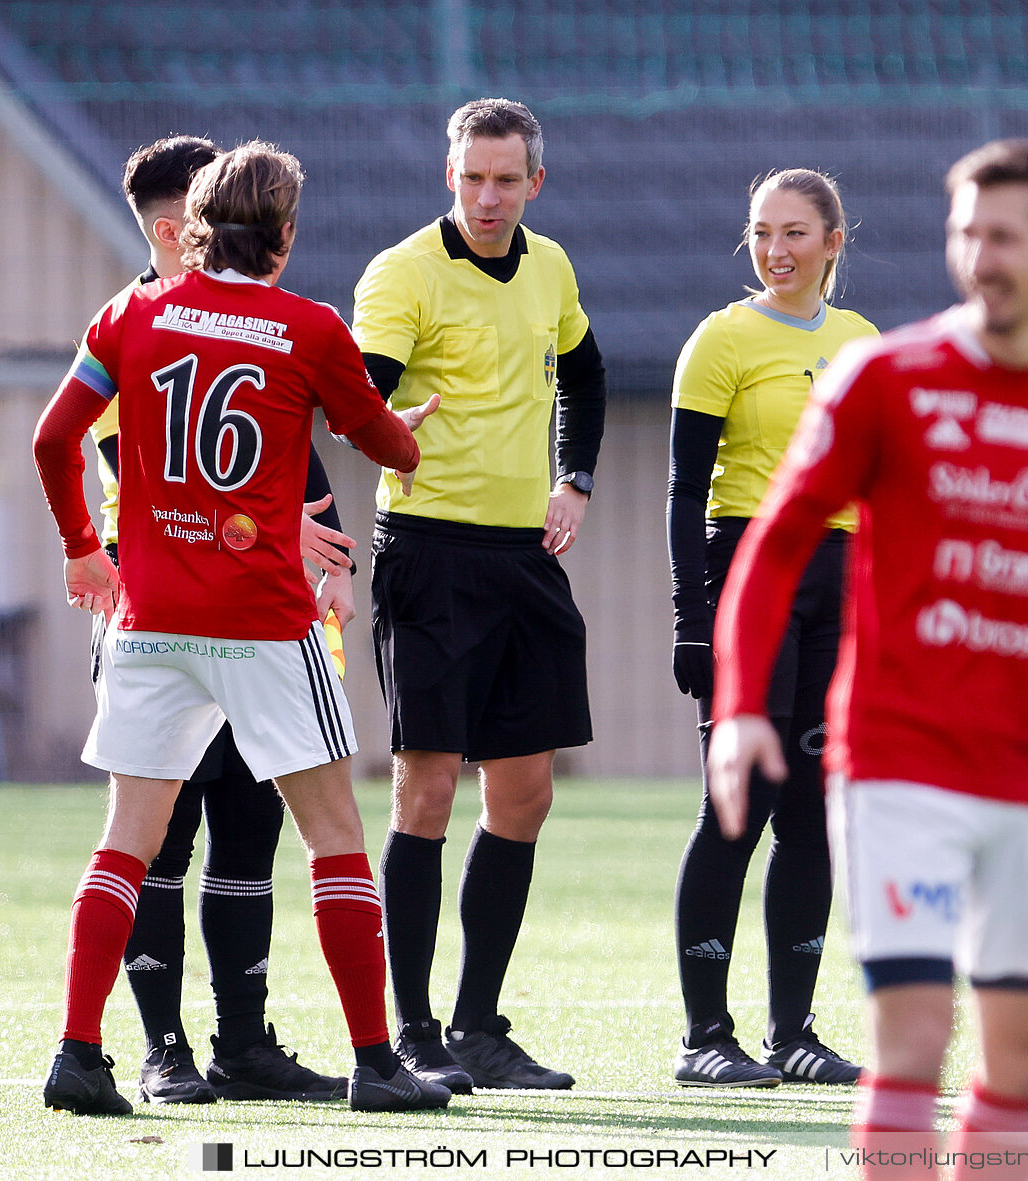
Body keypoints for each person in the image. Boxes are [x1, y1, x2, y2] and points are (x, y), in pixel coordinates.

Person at [709, 139, 1028, 1179]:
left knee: (1027, 1054)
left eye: (1005, 234)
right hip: (895, 765)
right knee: (914, 1040)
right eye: (965, 232)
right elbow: (777, 539)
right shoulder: (886, 377)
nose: (981, 255)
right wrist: (742, 701)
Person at [31, 141, 448, 1115]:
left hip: (152, 619)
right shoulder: (308, 327)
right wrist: (405, 427)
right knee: (336, 836)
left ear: (196, 229)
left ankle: (79, 1051)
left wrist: (84, 550)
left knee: (126, 842)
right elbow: (387, 445)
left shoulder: (130, 315)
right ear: (287, 235)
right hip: (263, 619)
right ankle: (378, 1062)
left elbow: (54, 438)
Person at [97, 134, 357, 1106]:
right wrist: (269, 515)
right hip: (160, 612)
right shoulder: (138, 326)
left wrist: (327, 558)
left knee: (252, 826)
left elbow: (295, 436)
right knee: (160, 834)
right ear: (177, 228)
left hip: (263, 618)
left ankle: (242, 1043)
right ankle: (163, 1049)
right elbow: (150, 465)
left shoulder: (259, 323)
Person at [351, 97, 606, 1092]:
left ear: (534, 182)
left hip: (523, 563)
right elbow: (353, 398)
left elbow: (586, 373)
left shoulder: (552, 267)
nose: (489, 195)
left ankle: (477, 1027)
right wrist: (385, 425)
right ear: (447, 176)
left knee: (527, 794)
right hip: (428, 554)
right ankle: (410, 1033)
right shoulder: (404, 273)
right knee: (425, 789)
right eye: (472, 178)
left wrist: (573, 479)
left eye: (507, 179)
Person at [666, 169, 875, 1088]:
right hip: (751, 571)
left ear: (835, 240)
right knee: (736, 805)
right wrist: (692, 617)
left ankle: (794, 1031)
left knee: (816, 819)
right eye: (761, 233)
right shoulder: (720, 338)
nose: (776, 250)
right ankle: (705, 1035)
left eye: (796, 233)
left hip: (844, 589)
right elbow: (683, 492)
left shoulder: (864, 344)